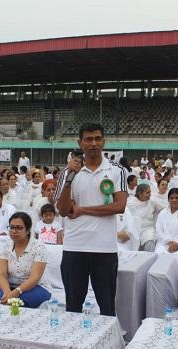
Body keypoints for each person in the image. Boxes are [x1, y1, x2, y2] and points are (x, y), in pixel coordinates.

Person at [55, 122, 128, 316]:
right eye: (88, 139)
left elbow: (119, 206)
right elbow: (63, 210)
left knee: (107, 309)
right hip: (74, 247)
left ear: (104, 142)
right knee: (72, 308)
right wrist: (70, 176)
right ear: (80, 143)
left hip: (104, 249)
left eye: (97, 138)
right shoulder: (68, 171)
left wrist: (82, 209)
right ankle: (72, 346)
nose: (93, 143)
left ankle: (108, 346)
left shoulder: (116, 170)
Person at [0, 212, 51, 308]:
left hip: (36, 287)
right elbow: (0, 274)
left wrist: (17, 292)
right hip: (10, 286)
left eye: (19, 228)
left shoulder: (39, 248)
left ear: (28, 230)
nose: (14, 231)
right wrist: (7, 292)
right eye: (11, 227)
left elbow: (35, 277)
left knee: (18, 303)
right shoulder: (6, 246)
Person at [127, 183, 163, 252]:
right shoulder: (130, 203)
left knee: (150, 244)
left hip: (147, 229)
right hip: (133, 230)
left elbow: (163, 210)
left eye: (150, 192)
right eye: (147, 193)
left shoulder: (152, 202)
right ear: (140, 194)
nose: (150, 194)